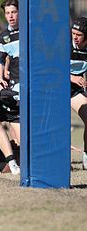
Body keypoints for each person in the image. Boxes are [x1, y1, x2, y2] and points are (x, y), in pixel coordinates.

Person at [0, 0, 20, 145]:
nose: (10, 16)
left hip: (33, 80)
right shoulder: (3, 37)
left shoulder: (29, 30)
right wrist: (0, 77)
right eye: (7, 13)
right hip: (15, 81)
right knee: (14, 115)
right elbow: (0, 60)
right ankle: (20, 148)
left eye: (14, 12)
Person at [70, 17, 87, 169]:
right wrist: (72, 77)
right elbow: (51, 68)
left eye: (79, 34)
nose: (74, 37)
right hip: (56, 89)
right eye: (73, 33)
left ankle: (86, 154)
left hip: (74, 92)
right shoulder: (63, 45)